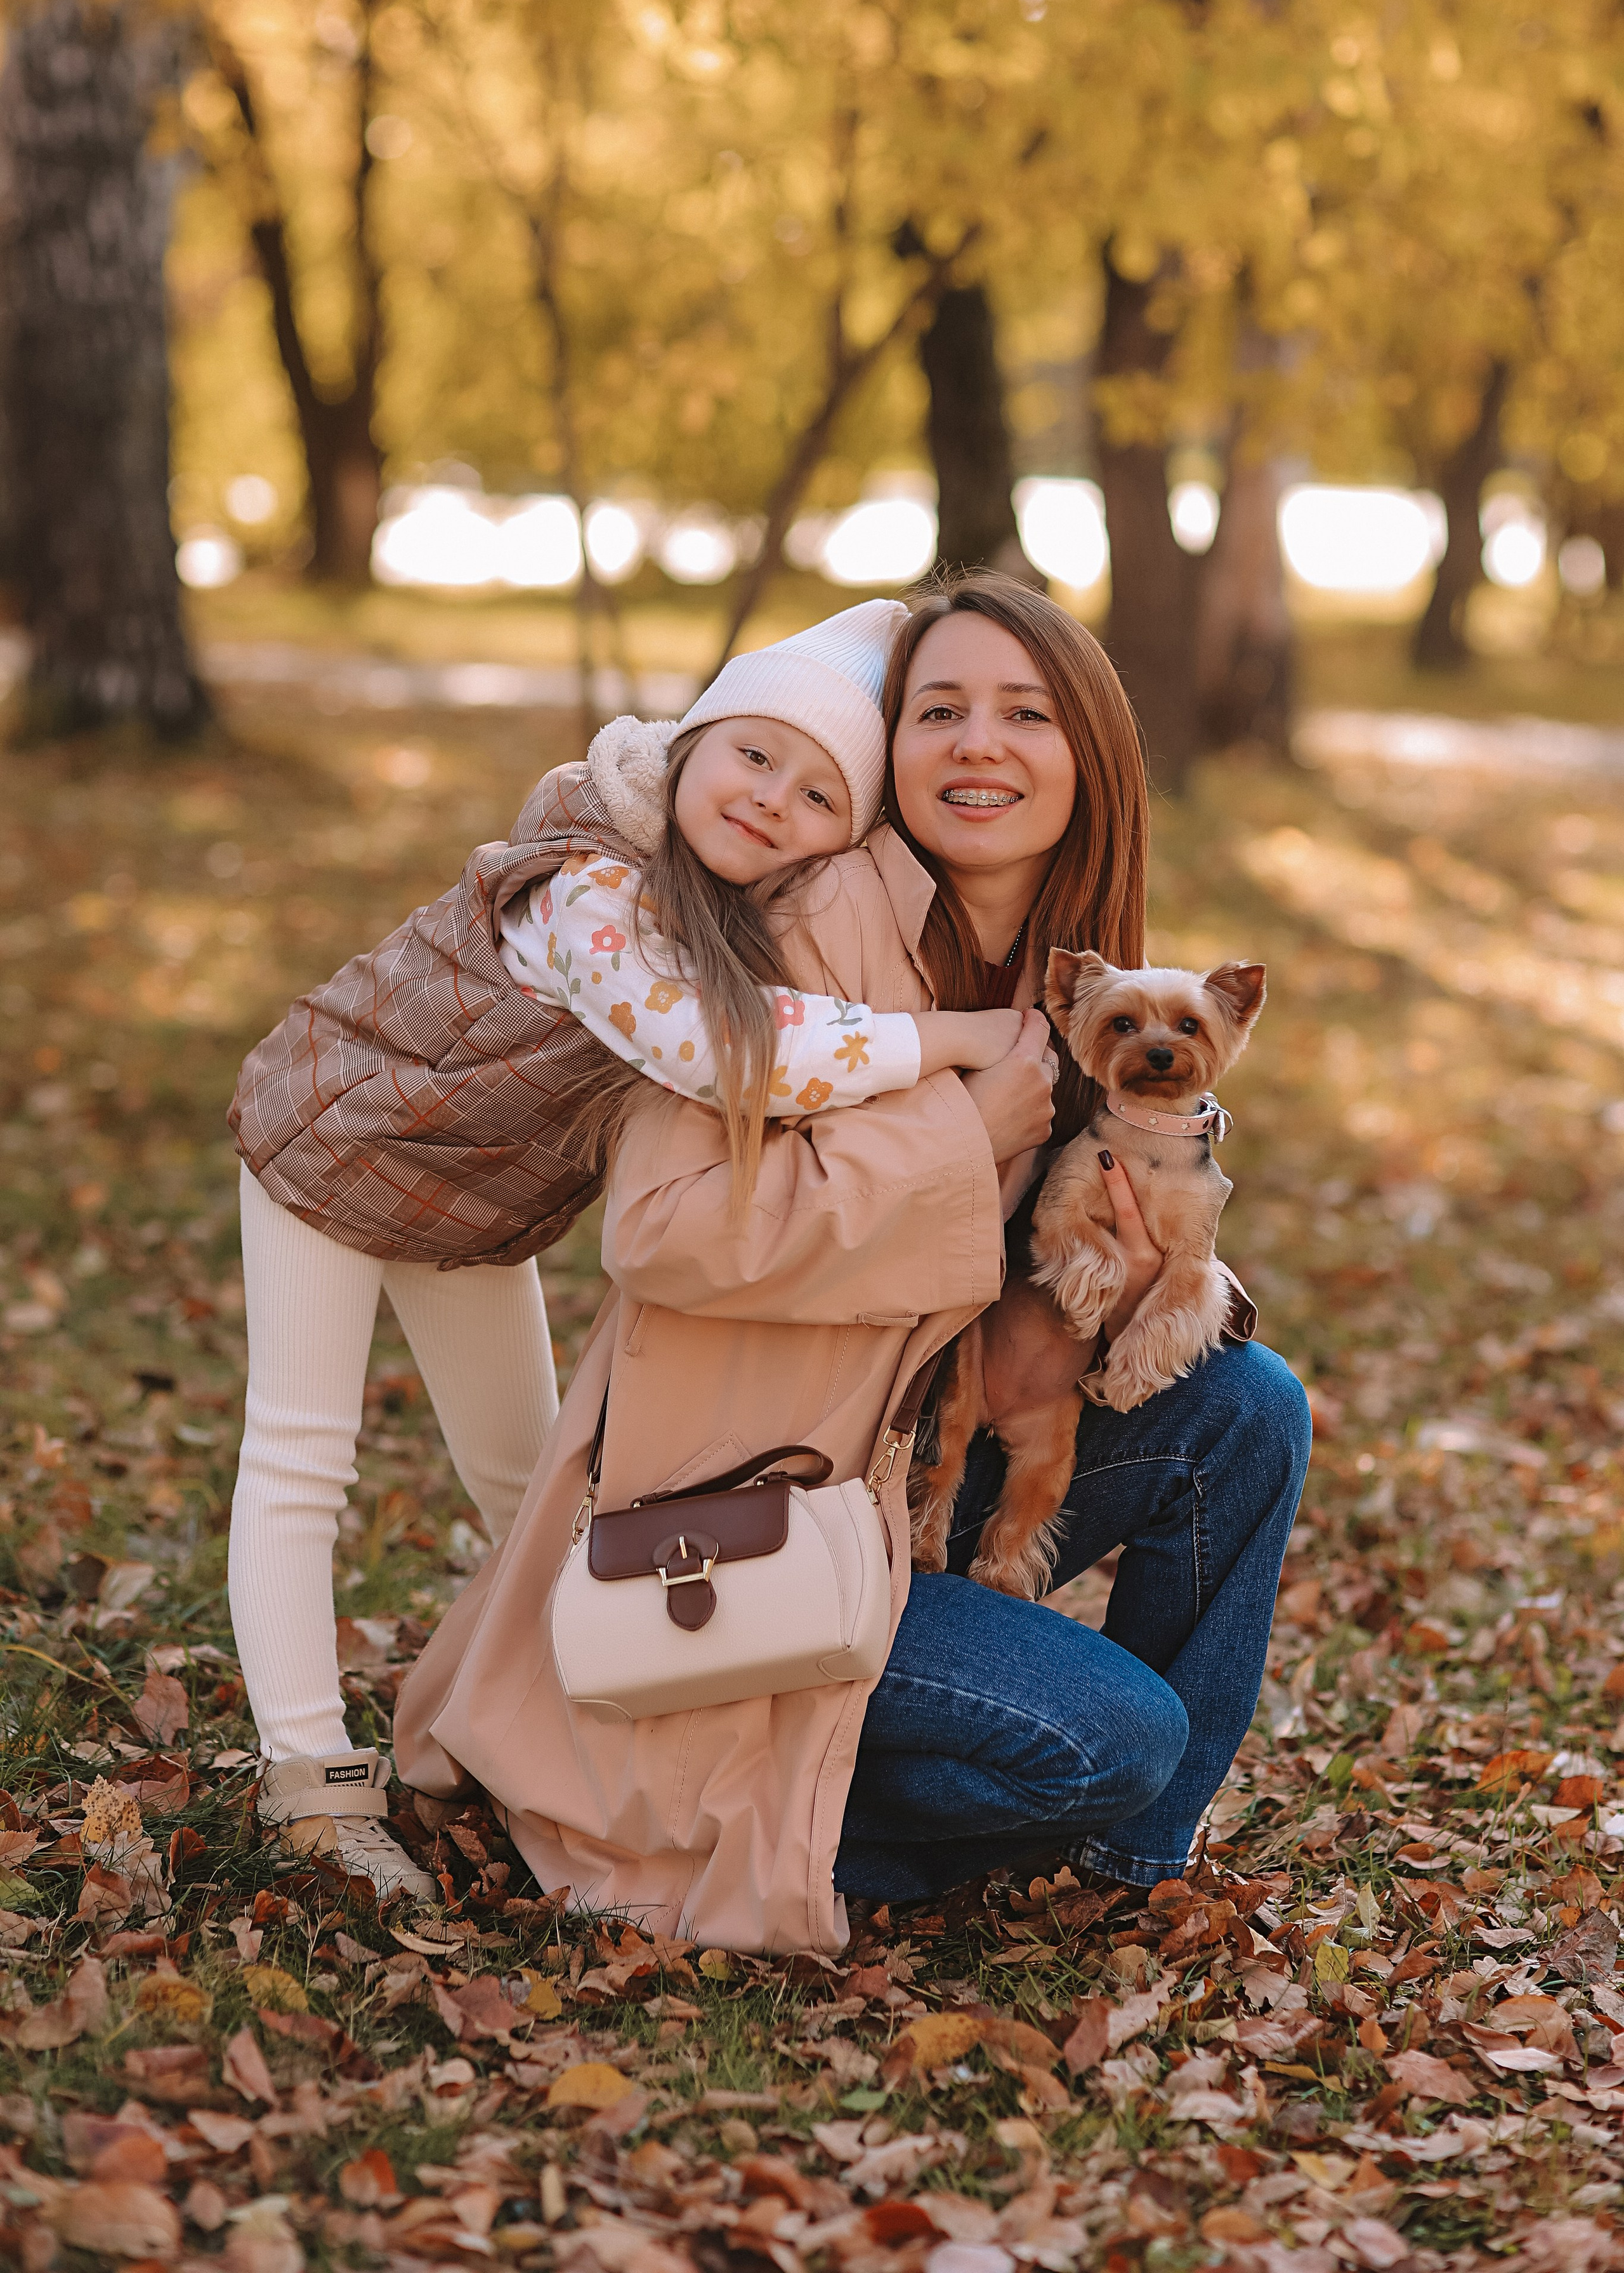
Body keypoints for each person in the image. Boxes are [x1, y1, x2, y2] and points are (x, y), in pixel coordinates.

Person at [395, 570, 1310, 1953]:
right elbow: (661, 1228)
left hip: (918, 1477)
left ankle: (1127, 1861)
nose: (977, 744)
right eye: (936, 710)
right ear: (891, 749)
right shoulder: (801, 925)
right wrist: (957, 1134)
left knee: (1250, 1411)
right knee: (1114, 1733)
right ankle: (723, 1816)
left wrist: (1105, 1293)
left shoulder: (1074, 994)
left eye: (1024, 712)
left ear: (1091, 758)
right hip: (756, 1517)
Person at [226, 601, 1015, 1897]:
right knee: (303, 1454)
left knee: (528, 1478)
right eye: (754, 755)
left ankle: (545, 1722)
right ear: (694, 737)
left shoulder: (724, 901)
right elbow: (717, 1046)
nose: (770, 802)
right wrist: (949, 1047)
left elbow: (762, 1013)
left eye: (819, 795)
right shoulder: (590, 879)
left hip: (473, 1197)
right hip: (337, 1144)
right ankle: (309, 1782)